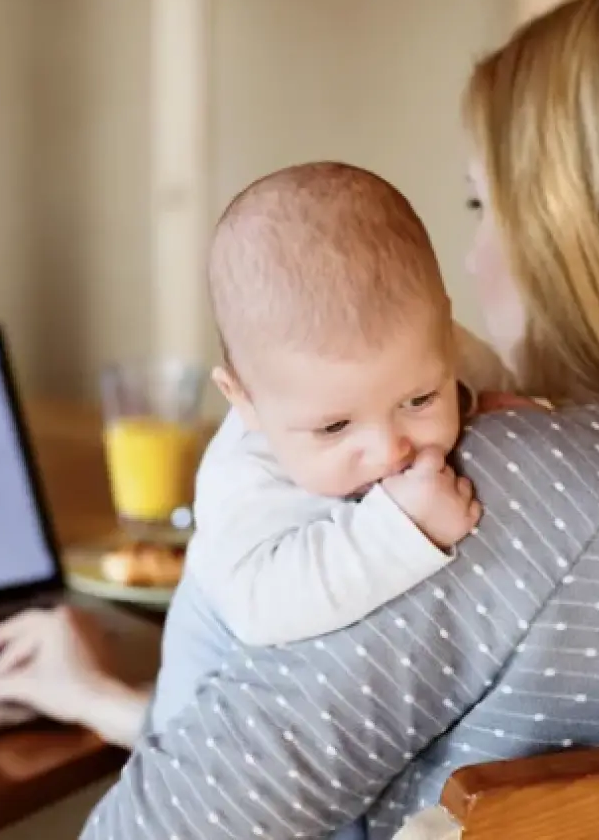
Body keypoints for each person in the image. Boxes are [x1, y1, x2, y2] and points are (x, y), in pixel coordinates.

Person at [0, 0, 599, 837]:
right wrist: (118, 704)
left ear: (574, 238)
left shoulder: (512, 490)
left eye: (480, 204)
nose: (471, 251)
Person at [191, 161, 508, 651]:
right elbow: (259, 608)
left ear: (446, 333)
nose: (388, 451)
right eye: (335, 427)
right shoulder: (243, 477)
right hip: (215, 692)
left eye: (420, 399)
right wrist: (404, 527)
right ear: (244, 400)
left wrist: (518, 409)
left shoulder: (445, 351)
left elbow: (497, 387)